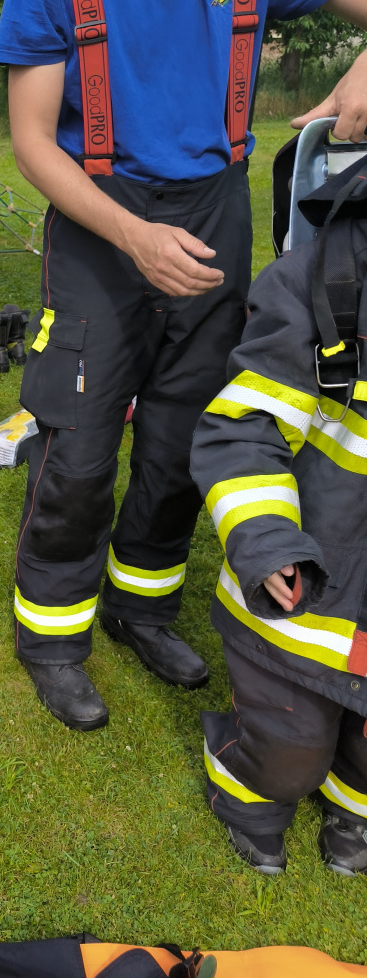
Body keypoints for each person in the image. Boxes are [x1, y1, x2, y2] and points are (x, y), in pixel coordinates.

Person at [0, 0, 367, 731]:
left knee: (182, 435)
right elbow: (31, 140)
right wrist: (132, 235)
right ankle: (53, 636)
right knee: (80, 446)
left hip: (212, 207)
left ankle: (142, 607)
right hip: (99, 217)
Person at [191, 160, 367, 877]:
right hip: (309, 591)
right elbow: (243, 429)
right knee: (287, 754)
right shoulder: (315, 288)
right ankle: (249, 794)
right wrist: (267, 543)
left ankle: (354, 806)